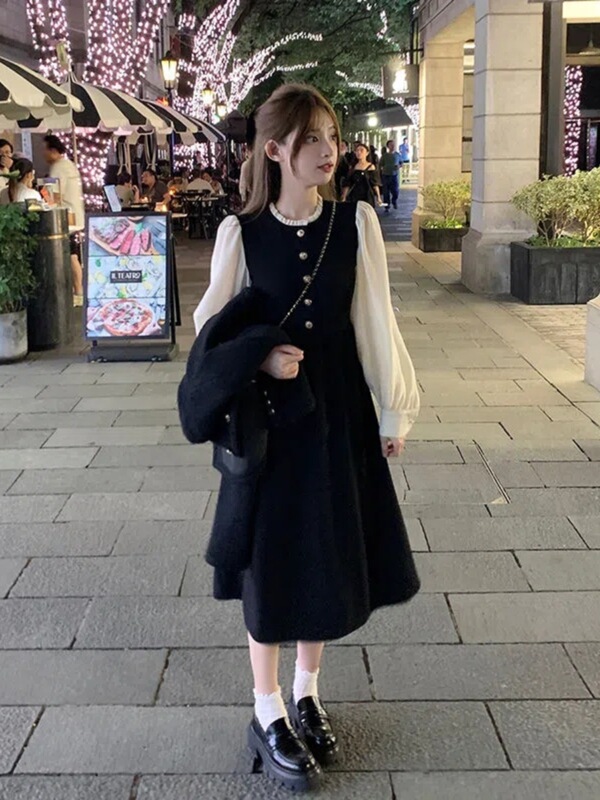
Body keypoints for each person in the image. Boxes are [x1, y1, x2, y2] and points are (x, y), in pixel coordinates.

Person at [188, 83, 420, 793]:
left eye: (331, 135)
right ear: (274, 150)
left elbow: (375, 319)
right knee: (270, 556)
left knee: (323, 548)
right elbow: (209, 329)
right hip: (271, 420)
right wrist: (259, 354)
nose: (328, 149)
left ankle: (307, 692)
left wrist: (394, 409)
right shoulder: (241, 233)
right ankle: (266, 709)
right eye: (311, 137)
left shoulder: (355, 223)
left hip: (337, 410)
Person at [43, 134, 85, 305]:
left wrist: (44, 195)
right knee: (73, 254)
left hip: (66, 218)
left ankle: (78, 291)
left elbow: (54, 196)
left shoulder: (58, 168)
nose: (43, 154)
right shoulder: (69, 165)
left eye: (45, 150)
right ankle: (78, 290)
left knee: (71, 256)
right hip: (75, 216)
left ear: (53, 150)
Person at [341, 142, 382, 207]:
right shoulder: (352, 166)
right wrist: (344, 196)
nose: (359, 152)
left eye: (361, 150)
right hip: (354, 195)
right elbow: (348, 183)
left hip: (367, 195)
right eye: (357, 150)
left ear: (367, 153)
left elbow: (375, 184)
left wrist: (378, 197)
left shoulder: (371, 167)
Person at [380, 139, 401, 211]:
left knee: (395, 191)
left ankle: (394, 200)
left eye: (393, 144)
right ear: (388, 146)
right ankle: (386, 206)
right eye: (391, 145)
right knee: (386, 193)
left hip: (394, 175)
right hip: (385, 175)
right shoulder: (384, 156)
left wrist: (399, 166)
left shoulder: (397, 155)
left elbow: (401, 163)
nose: (393, 146)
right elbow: (381, 164)